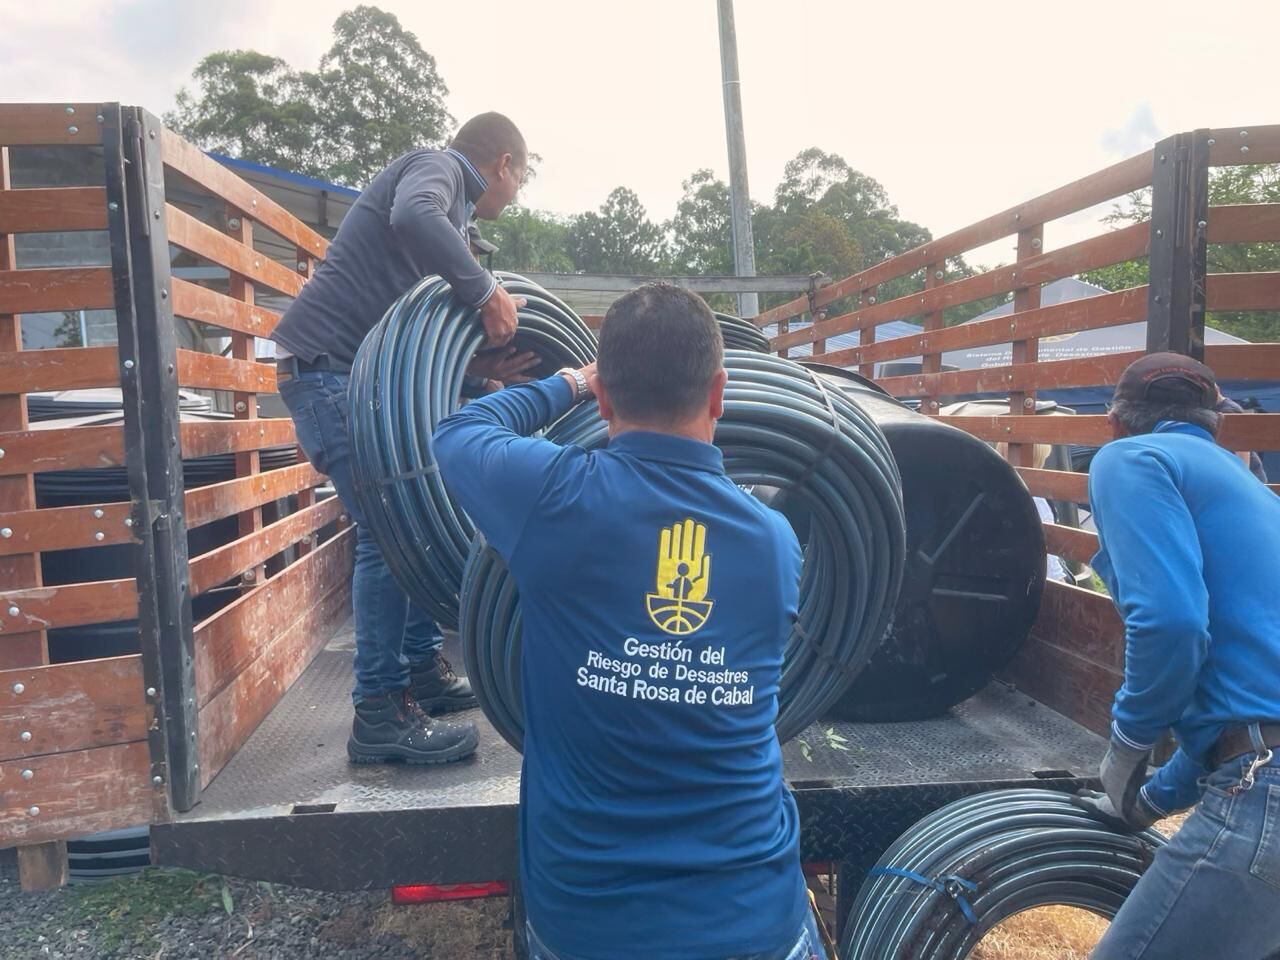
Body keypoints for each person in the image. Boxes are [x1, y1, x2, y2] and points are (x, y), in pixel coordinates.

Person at [434, 284, 825, 960]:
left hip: (589, 929)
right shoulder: (774, 542)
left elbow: (457, 433)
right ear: (720, 393)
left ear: (607, 399)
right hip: (755, 923)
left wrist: (565, 384)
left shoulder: (552, 497)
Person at [271, 112, 539, 765]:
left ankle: (420, 670)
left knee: (418, 516)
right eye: (522, 176)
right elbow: (415, 216)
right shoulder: (440, 170)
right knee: (392, 533)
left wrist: (477, 369)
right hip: (329, 373)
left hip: (351, 373)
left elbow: (405, 325)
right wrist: (484, 290)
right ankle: (380, 714)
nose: (518, 190)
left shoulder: (457, 211)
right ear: (502, 163)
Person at [1072, 352, 1280, 960]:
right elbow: (1245, 699)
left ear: (1113, 421)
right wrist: (1157, 797)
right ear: (1216, 420)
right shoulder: (1252, 490)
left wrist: (1128, 743)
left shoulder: (1130, 459)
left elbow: (1171, 622)